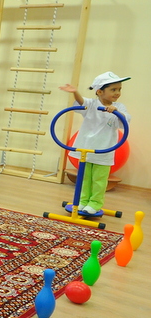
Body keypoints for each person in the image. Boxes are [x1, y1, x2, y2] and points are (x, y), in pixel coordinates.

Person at [58, 71, 132, 215]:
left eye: (119, 89)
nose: (117, 93)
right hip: (86, 149)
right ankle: (83, 201)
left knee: (99, 180)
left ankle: (95, 203)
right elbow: (81, 102)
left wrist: (116, 111)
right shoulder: (92, 104)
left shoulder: (119, 107)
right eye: (114, 89)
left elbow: (125, 120)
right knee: (85, 178)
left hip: (104, 151)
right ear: (99, 91)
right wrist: (75, 92)